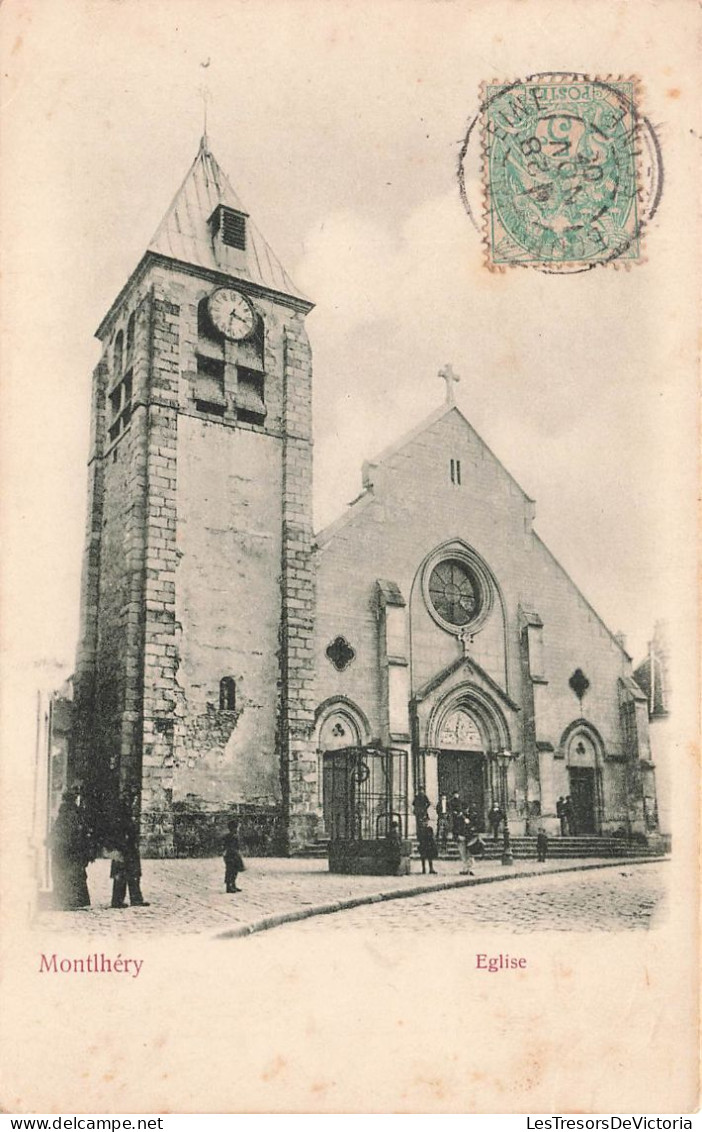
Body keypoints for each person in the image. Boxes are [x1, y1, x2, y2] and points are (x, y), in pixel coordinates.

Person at [50, 789, 91, 909]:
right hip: (71, 850)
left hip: (65, 850)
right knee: (73, 875)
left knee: (68, 875)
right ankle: (72, 901)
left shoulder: (64, 813)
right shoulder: (73, 813)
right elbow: (74, 832)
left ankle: (69, 900)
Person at [110, 790, 150, 908]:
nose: (134, 802)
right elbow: (121, 831)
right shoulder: (122, 814)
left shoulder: (125, 813)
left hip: (128, 847)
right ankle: (118, 901)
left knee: (132, 874)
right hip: (124, 847)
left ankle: (134, 899)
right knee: (122, 874)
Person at [223, 819, 245, 893]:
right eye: (237, 827)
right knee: (230, 870)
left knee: (235, 871)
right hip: (231, 855)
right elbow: (228, 846)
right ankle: (228, 886)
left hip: (234, 855)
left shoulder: (235, 836)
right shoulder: (230, 836)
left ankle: (233, 885)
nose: (238, 829)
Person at [453, 811, 474, 875]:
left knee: (468, 855)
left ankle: (468, 869)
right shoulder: (458, 819)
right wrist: (457, 836)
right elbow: (455, 829)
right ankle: (466, 869)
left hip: (468, 839)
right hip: (462, 838)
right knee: (463, 854)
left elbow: (472, 828)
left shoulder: (469, 818)